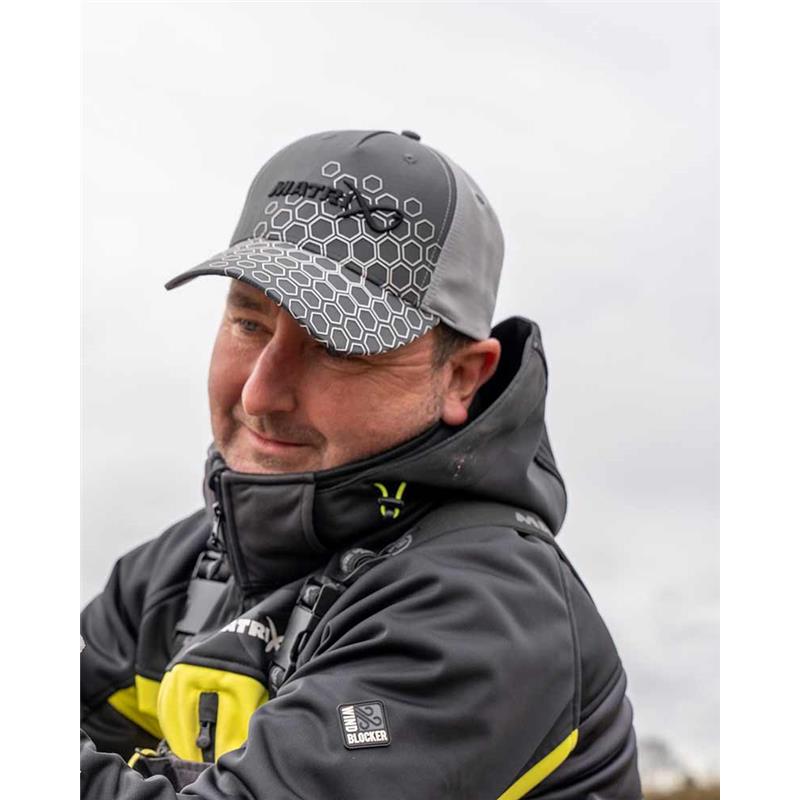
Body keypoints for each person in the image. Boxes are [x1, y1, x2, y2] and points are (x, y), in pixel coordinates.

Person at [80, 129, 642, 799]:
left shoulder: (487, 611)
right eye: (250, 324)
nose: (259, 394)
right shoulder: (180, 569)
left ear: (463, 376)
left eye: (337, 346)